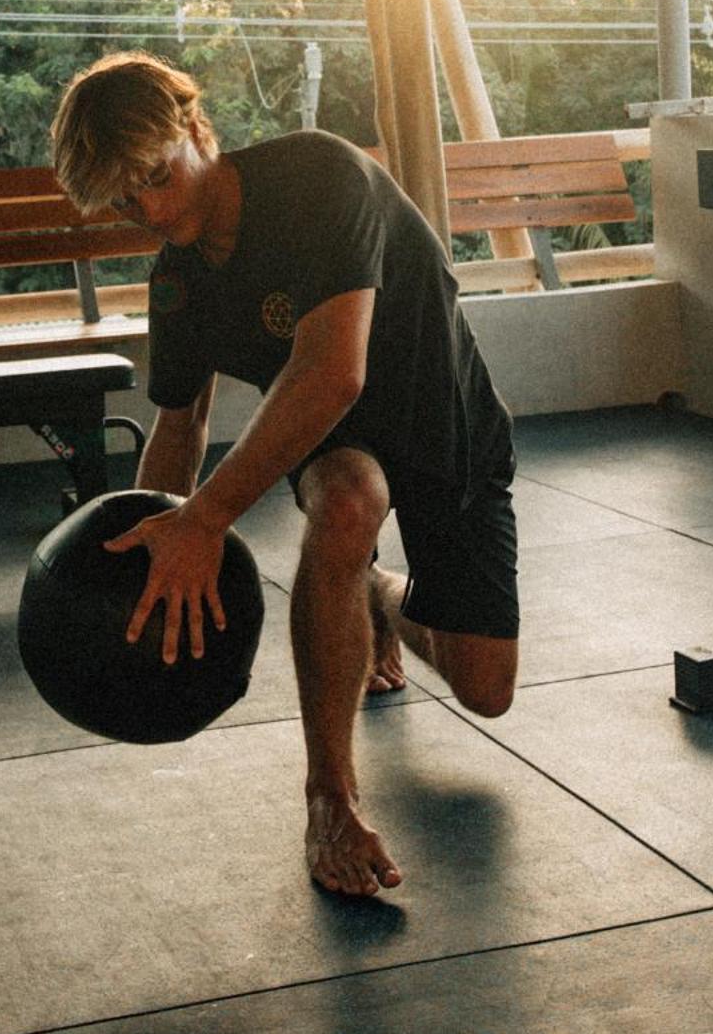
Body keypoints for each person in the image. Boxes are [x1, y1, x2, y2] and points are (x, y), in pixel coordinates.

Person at [50, 51, 519, 898]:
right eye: (123, 200)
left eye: (156, 178)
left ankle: (376, 597)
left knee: (485, 690)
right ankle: (328, 800)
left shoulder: (316, 178)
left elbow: (331, 371)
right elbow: (178, 427)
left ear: (197, 128)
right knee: (345, 502)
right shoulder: (179, 279)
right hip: (334, 442)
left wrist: (203, 523)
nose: (148, 210)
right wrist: (146, 551)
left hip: (441, 419)